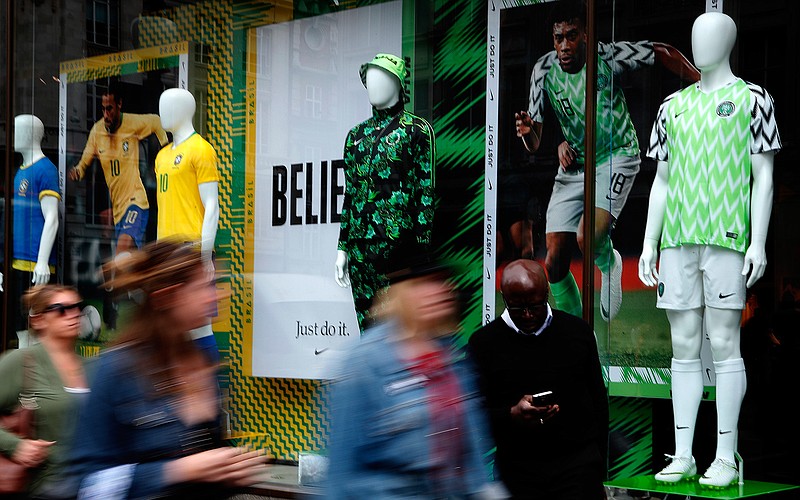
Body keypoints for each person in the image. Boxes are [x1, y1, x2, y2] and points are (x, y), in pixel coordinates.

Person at [638, 12, 781, 488]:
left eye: (712, 35)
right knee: (682, 346)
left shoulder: (753, 98)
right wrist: (648, 242)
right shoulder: (671, 106)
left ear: (731, 41)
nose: (702, 43)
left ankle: (725, 455)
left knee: (723, 343)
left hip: (726, 238)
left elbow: (764, 177)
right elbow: (660, 182)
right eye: (696, 36)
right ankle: (683, 454)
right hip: (678, 238)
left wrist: (758, 240)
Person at [514, 0, 700, 320]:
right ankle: (577, 333)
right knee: (554, 260)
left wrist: (703, 82)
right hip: (575, 165)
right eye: (558, 38)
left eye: (572, 35)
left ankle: (609, 263)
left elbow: (661, 51)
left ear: (585, 34)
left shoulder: (607, 56)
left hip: (617, 155)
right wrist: (529, 132)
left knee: (589, 238)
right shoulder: (543, 71)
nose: (565, 45)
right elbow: (534, 143)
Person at [69, 239, 267, 498]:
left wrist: (231, 468)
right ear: (168, 296)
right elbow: (90, 484)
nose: (217, 294)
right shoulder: (117, 369)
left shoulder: (204, 360)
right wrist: (177, 470)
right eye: (204, 286)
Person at [325, 255, 508, 499]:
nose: (438, 291)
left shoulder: (451, 358)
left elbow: (473, 458)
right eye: (425, 283)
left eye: (442, 281)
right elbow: (339, 475)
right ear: (402, 294)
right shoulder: (364, 363)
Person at [468, 259, 609, 499]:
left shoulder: (577, 332)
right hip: (518, 470)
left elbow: (598, 402)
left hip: (577, 466)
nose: (527, 314)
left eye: (535, 305)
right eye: (517, 307)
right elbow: (474, 415)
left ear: (546, 294)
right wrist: (511, 414)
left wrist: (598, 466)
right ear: (504, 298)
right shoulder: (483, 344)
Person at [335, 53, 436, 332]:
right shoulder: (355, 135)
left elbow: (424, 191)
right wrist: (343, 247)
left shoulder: (416, 130)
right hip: (360, 246)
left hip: (397, 244)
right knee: (367, 324)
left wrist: (421, 251)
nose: (373, 86)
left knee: (399, 324)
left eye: (381, 78)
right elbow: (350, 192)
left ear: (398, 84)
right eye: (369, 80)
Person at [69, 84, 168, 329]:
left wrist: (166, 147)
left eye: (110, 108)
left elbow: (156, 121)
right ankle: (148, 302)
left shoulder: (132, 124)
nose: (106, 113)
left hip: (137, 202)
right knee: (130, 264)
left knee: (120, 254)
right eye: (103, 108)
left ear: (119, 106)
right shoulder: (96, 132)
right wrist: (77, 171)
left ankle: (117, 298)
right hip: (119, 208)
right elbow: (84, 162)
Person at [0, 284, 90, 499]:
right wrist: (14, 445)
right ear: (38, 320)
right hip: (44, 487)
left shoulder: (93, 365)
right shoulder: (21, 361)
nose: (74, 313)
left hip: (91, 486)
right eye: (61, 309)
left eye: (78, 306)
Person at [155, 88, 221, 364]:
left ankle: (212, 396)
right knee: (169, 327)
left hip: (192, 250)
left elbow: (212, 207)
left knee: (199, 325)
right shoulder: (161, 156)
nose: (161, 112)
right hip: (166, 253)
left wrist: (205, 255)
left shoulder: (201, 150)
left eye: (166, 106)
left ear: (184, 110)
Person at [11, 114, 60, 338]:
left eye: (17, 130)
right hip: (18, 262)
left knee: (36, 328)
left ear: (31, 135)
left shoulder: (46, 170)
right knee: (21, 327)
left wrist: (42, 261)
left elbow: (52, 217)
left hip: (36, 265)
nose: (14, 135)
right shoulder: (20, 171)